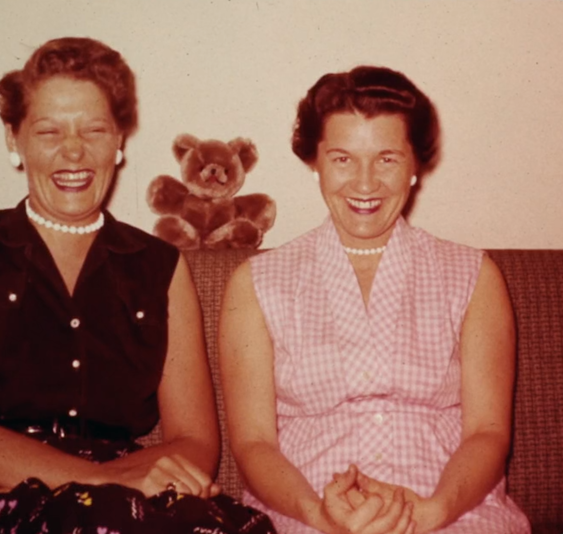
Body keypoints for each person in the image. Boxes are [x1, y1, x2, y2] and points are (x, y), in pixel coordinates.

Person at [0, 37, 274, 534]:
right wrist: (98, 484)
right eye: (48, 131)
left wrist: (115, 486)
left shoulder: (162, 266)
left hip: (126, 501)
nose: (73, 150)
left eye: (94, 129)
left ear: (118, 140)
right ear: (13, 139)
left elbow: (195, 440)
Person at [218, 66, 531, 534]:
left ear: (414, 166)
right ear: (316, 161)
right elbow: (253, 442)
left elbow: (488, 432)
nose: (365, 184)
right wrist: (317, 514)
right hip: (306, 514)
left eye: (386, 158)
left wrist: (434, 511)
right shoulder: (256, 283)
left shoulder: (473, 275)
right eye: (342, 159)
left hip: (453, 512)